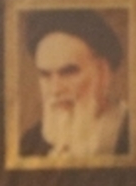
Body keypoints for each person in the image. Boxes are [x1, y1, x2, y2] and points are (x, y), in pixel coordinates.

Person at [19, 10, 129, 159]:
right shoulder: (29, 143)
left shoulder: (133, 133)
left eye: (68, 72)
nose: (55, 89)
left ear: (103, 73)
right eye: (45, 75)